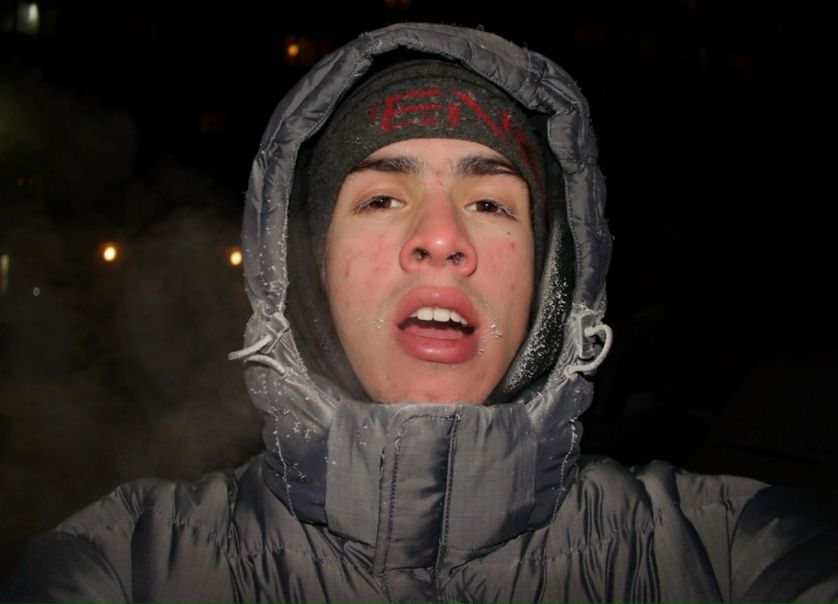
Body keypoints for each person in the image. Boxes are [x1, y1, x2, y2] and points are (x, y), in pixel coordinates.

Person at [5, 21, 837, 604]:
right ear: (309, 275)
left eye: (491, 203)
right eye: (380, 197)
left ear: (550, 283)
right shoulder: (127, 567)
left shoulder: (728, 553)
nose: (440, 238)